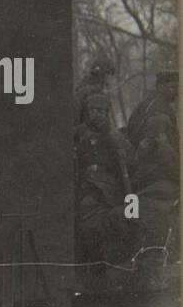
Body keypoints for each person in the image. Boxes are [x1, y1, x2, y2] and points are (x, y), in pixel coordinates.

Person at [74, 93, 135, 264]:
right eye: (92, 110)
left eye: (101, 111)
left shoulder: (114, 135)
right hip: (84, 186)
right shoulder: (79, 133)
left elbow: (128, 159)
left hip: (107, 191)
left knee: (103, 228)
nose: (96, 114)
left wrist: (109, 133)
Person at [127, 70, 179, 253]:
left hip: (141, 172)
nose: (177, 91)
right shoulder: (159, 112)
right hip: (153, 176)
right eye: (172, 87)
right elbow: (161, 149)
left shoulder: (147, 104)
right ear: (160, 86)